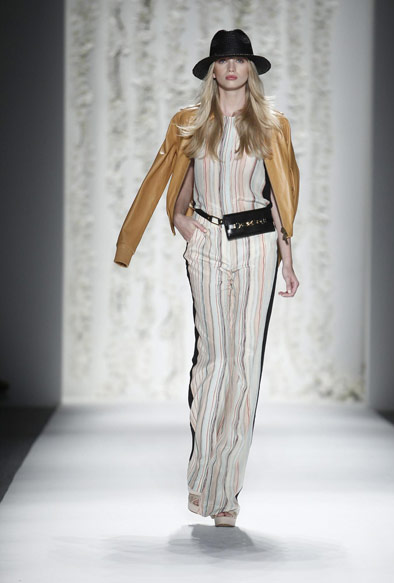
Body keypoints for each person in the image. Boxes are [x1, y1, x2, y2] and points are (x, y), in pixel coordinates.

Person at [113, 29, 300, 526]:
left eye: (240, 60)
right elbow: (175, 181)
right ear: (212, 70)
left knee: (245, 365)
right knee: (213, 363)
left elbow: (281, 195)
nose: (232, 67)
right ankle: (204, 474)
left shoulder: (273, 125)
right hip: (209, 242)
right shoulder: (189, 122)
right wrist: (181, 221)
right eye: (224, 60)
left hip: (258, 244)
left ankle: (226, 494)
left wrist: (287, 255)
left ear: (250, 69)